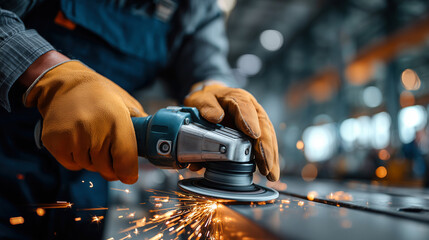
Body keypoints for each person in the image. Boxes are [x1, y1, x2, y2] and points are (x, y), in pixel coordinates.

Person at [0, 0, 279, 238]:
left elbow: (205, 62)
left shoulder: (194, 7)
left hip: (89, 176)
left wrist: (214, 86)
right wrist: (49, 74)